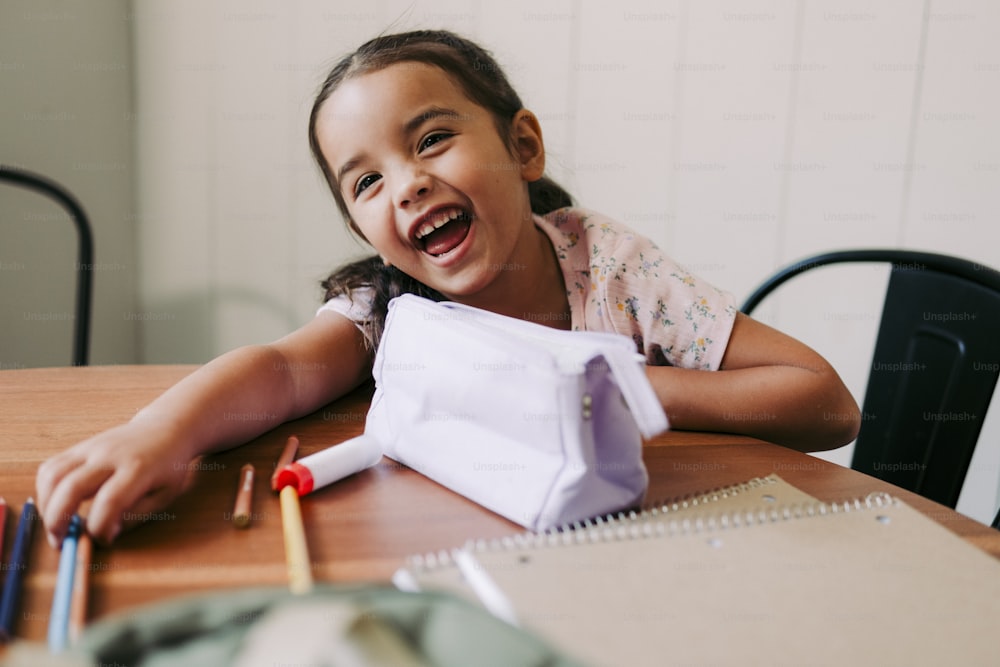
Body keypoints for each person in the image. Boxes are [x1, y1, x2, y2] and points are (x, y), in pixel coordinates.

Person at [36, 30, 860, 547]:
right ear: (363, 231)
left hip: (639, 550)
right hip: (439, 553)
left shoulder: (613, 270)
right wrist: (160, 435)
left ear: (522, 146)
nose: (406, 185)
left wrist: (629, 386)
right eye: (365, 183)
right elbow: (282, 371)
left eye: (431, 138)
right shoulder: (390, 305)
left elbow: (827, 402)